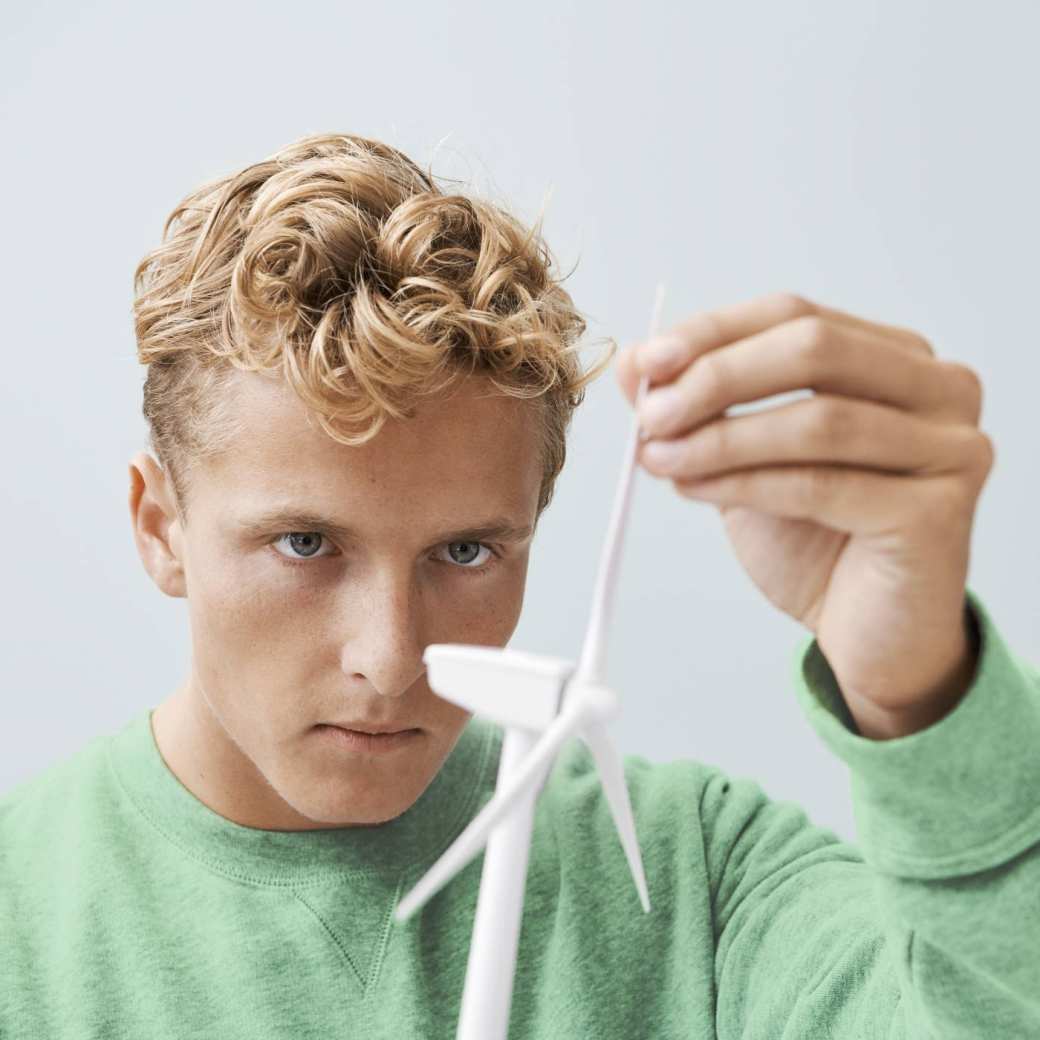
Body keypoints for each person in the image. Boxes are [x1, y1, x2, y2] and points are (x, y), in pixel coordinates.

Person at [1, 132, 1036, 1039]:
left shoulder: (698, 882)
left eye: (464, 552)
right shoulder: (20, 916)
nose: (391, 656)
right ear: (158, 525)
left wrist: (919, 699)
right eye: (306, 543)